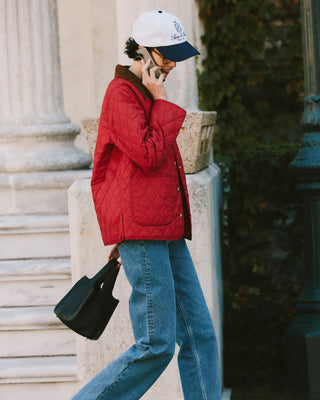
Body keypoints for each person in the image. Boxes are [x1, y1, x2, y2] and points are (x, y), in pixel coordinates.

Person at [72, 10, 222, 400]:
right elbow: (148, 154)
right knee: (155, 345)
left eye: (176, 56)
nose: (172, 64)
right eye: (166, 55)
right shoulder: (120, 94)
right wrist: (162, 103)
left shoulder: (141, 95)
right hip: (143, 231)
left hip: (162, 228)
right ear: (143, 50)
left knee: (199, 335)